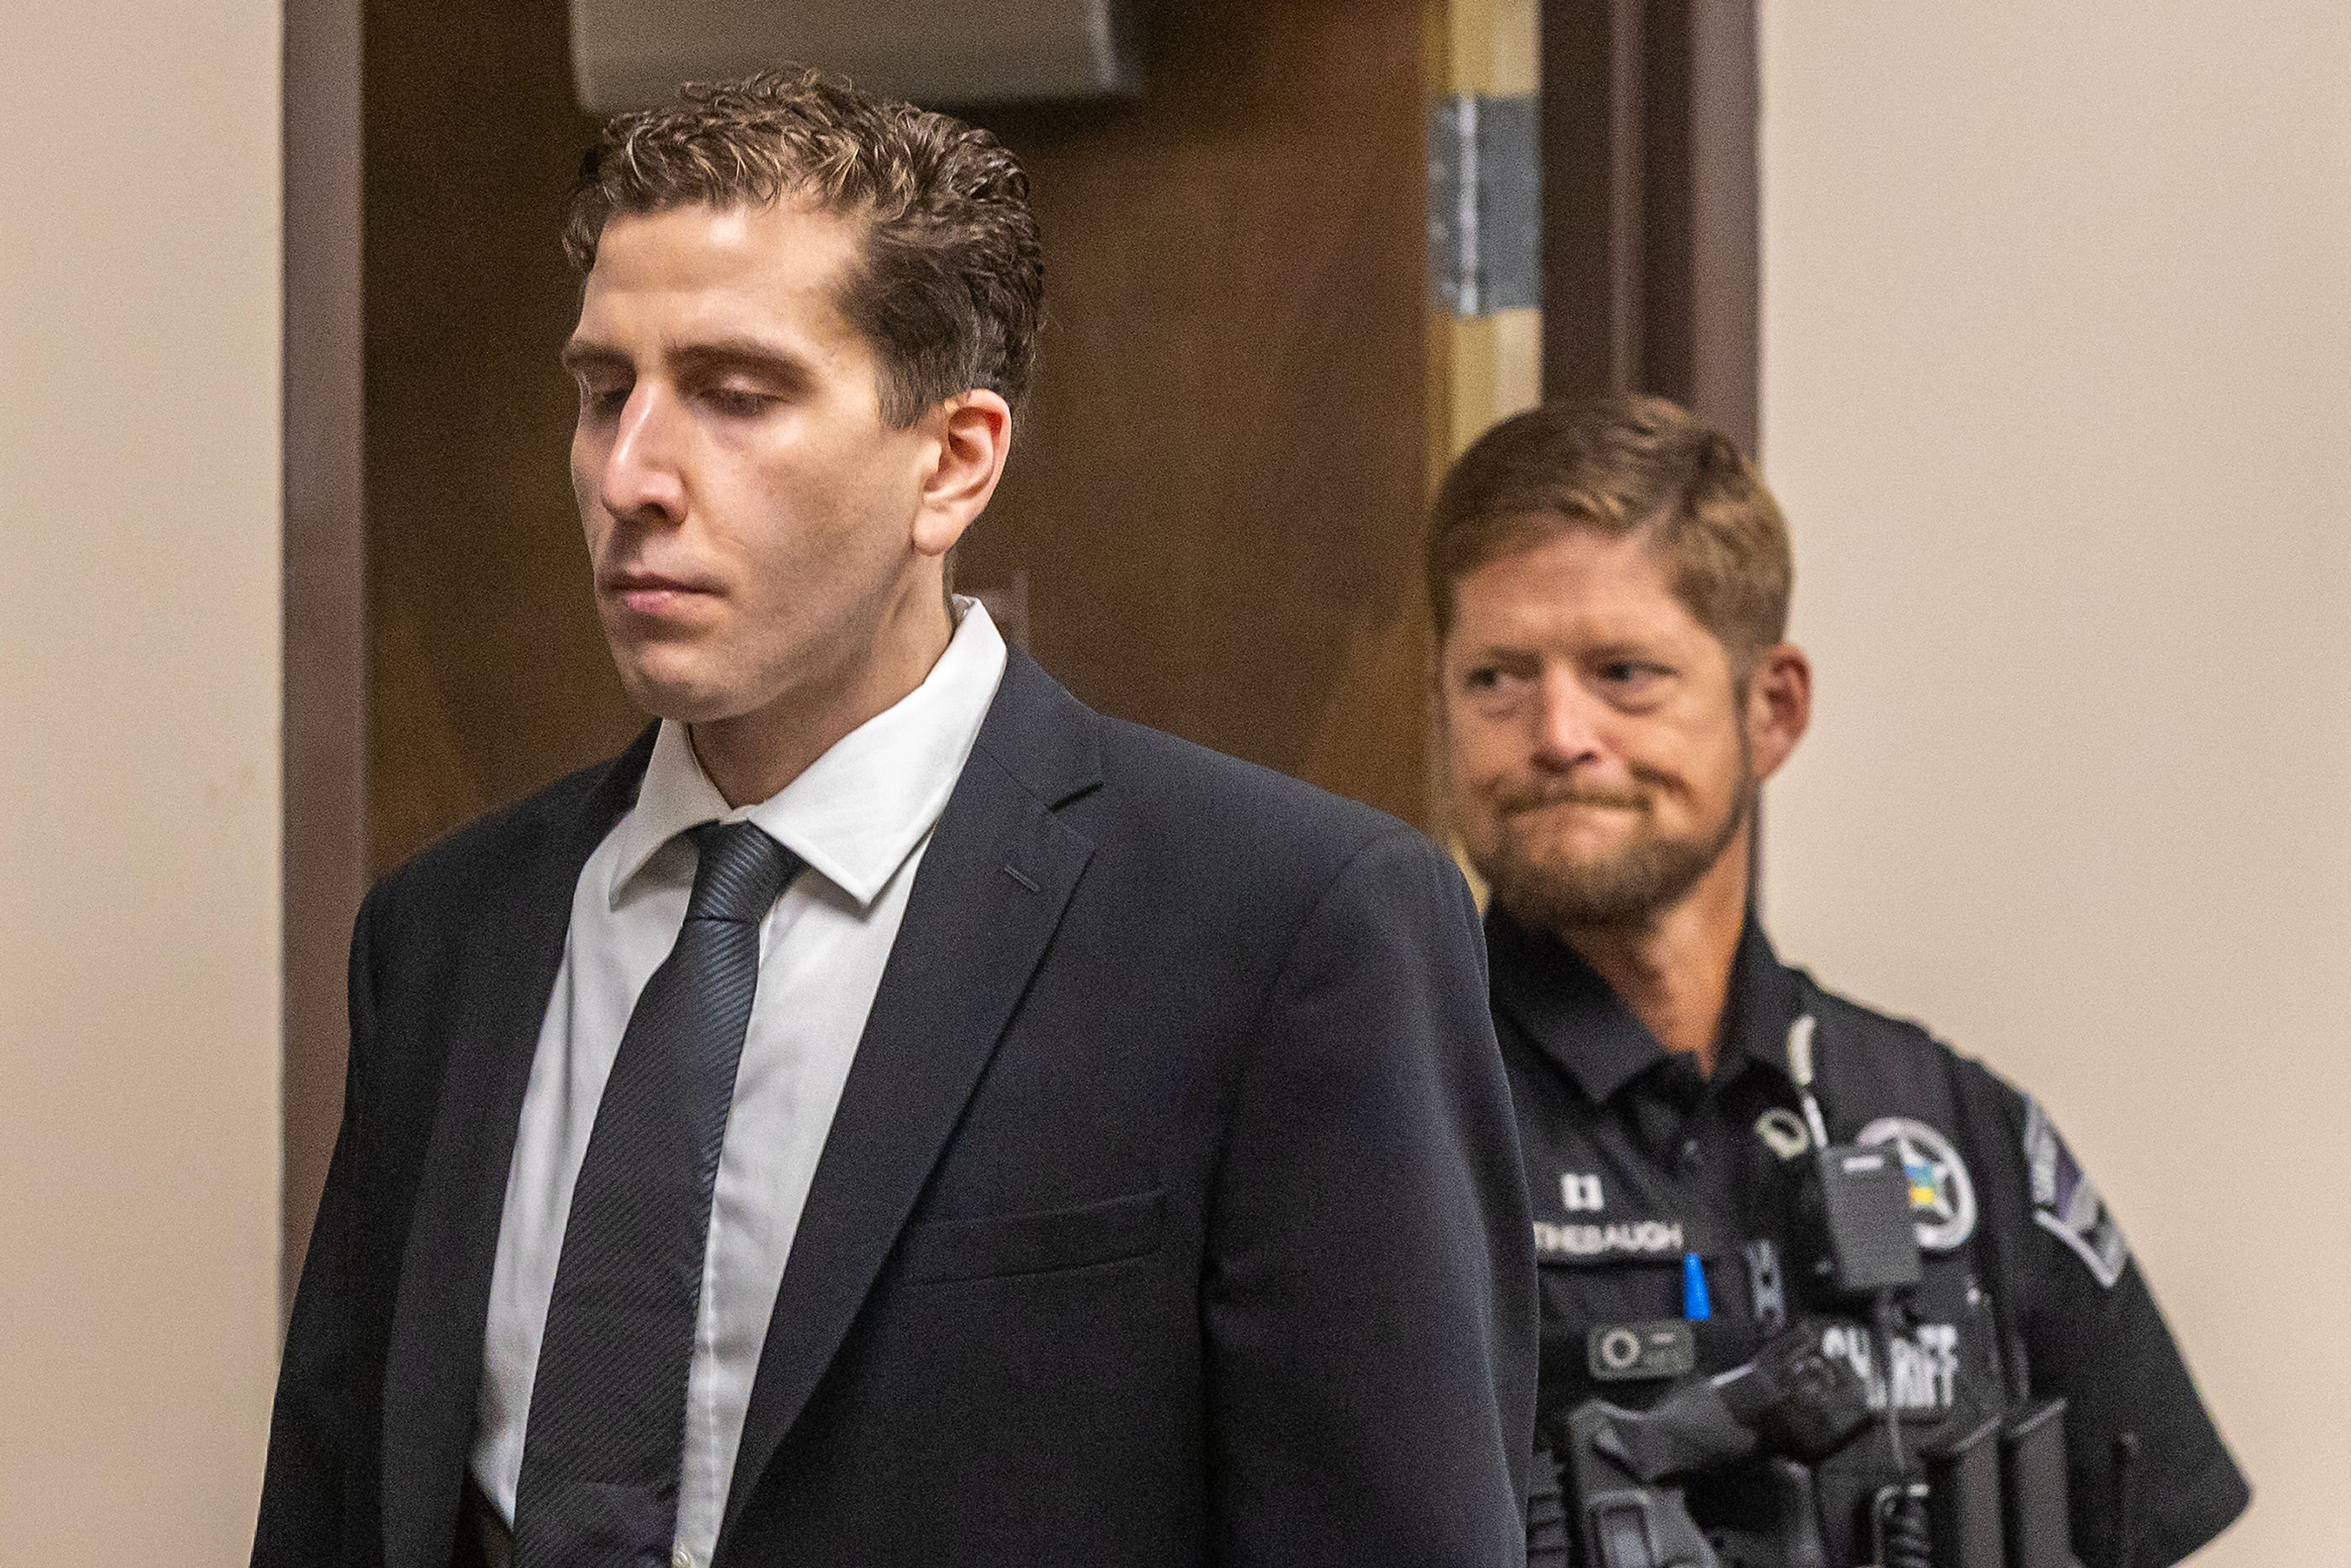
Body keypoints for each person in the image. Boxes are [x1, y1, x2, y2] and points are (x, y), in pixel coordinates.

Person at [254, 68, 1535, 1568]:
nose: (632, 476)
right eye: (605, 393)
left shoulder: (1282, 926)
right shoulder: (448, 935)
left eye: (737, 394)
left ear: (955, 459)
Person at [1429, 395, 2248, 1567]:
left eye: (1623, 671)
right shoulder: (1386, 1116)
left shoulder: (1955, 1127)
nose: (1557, 731)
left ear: (1774, 708)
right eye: (1497, 678)